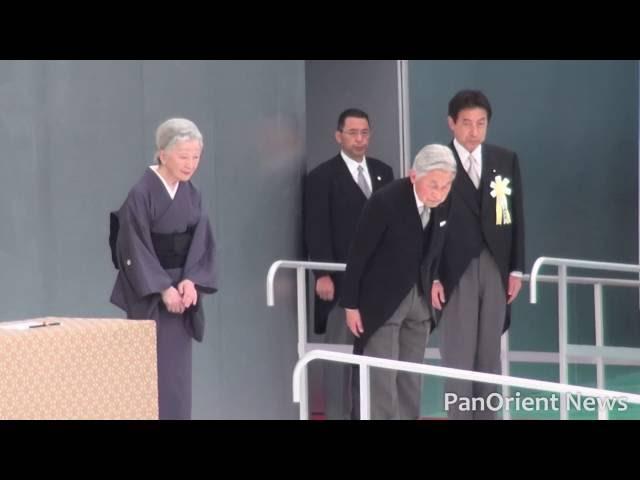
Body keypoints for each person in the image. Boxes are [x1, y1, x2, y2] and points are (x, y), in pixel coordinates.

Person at [110, 118, 218, 420]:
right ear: (162, 153)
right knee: (152, 377)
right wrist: (162, 287)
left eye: (196, 157)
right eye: (183, 156)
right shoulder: (141, 193)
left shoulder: (192, 193)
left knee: (178, 379)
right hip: (151, 296)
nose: (191, 164)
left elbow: (201, 240)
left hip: (181, 294)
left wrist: (191, 281)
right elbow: (132, 246)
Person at [340, 144, 456, 420]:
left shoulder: (443, 203)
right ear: (414, 175)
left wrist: (436, 278)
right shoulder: (385, 202)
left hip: (420, 301)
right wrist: (351, 305)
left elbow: (437, 246)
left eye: (446, 186)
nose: (439, 193)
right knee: (381, 378)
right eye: (433, 185)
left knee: (411, 377)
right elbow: (358, 255)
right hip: (382, 301)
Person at [431, 90, 525, 420]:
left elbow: (516, 216)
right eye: (467, 123)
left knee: (489, 356)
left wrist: (516, 269)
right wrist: (432, 275)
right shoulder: (435, 161)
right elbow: (424, 221)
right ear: (451, 123)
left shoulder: (504, 159)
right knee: (458, 355)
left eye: (481, 123)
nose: (474, 131)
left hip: (496, 267)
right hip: (454, 269)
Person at [304, 108, 394, 419]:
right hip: (342, 283)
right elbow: (316, 229)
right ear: (338, 135)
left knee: (376, 357)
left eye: (365, 132)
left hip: (379, 285)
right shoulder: (321, 177)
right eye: (353, 132)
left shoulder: (384, 172)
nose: (359, 139)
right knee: (339, 358)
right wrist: (323, 274)